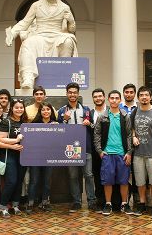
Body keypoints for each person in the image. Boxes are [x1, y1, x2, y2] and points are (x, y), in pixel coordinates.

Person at [5, 0, 78, 89]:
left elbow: (72, 29)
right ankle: (28, 77)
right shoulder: (36, 5)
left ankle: (63, 79)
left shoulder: (64, 7)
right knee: (28, 43)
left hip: (58, 35)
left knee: (68, 41)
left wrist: (71, 20)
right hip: (40, 35)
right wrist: (13, 33)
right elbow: (25, 22)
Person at [58, 82, 96, 212]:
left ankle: (91, 201)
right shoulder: (62, 111)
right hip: (70, 148)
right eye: (70, 92)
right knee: (73, 176)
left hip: (86, 147)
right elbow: (58, 132)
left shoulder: (86, 110)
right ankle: (77, 201)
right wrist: (64, 120)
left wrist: (89, 123)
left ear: (78, 94)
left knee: (89, 175)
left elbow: (93, 129)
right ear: (67, 94)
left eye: (75, 92)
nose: (72, 94)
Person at [94, 90, 133, 216]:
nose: (114, 100)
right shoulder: (102, 117)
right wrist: (100, 151)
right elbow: (97, 135)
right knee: (108, 181)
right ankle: (108, 204)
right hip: (107, 154)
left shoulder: (125, 116)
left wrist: (129, 152)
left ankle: (124, 204)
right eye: (112, 98)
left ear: (120, 100)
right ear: (108, 100)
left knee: (123, 181)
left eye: (117, 98)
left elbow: (129, 135)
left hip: (122, 154)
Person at [131, 86, 152, 219]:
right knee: (140, 182)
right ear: (138, 98)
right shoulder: (135, 112)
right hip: (138, 154)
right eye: (141, 95)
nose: (144, 97)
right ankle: (142, 204)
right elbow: (132, 128)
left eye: (146, 95)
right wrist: (134, 136)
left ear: (151, 97)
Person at [0, 99, 28, 217]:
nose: (19, 109)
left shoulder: (25, 122)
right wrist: (15, 141)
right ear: (12, 109)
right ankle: (3, 206)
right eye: (16, 107)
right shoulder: (6, 122)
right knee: (11, 181)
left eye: (21, 107)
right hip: (9, 155)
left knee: (19, 181)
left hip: (23, 156)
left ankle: (15, 206)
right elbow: (1, 138)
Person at [26, 101, 57, 213]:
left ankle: (45, 202)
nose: (46, 111)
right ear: (40, 111)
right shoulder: (34, 124)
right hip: (35, 157)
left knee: (47, 181)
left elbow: (60, 141)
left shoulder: (56, 124)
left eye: (48, 109)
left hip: (50, 157)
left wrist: (57, 129)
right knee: (34, 180)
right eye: (43, 109)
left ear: (51, 111)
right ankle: (30, 202)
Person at [90, 88, 107, 212]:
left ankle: (111, 200)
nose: (98, 98)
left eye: (100, 96)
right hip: (95, 150)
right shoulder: (89, 113)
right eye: (95, 97)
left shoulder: (110, 112)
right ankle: (100, 200)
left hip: (109, 149)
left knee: (109, 174)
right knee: (97, 175)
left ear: (104, 97)